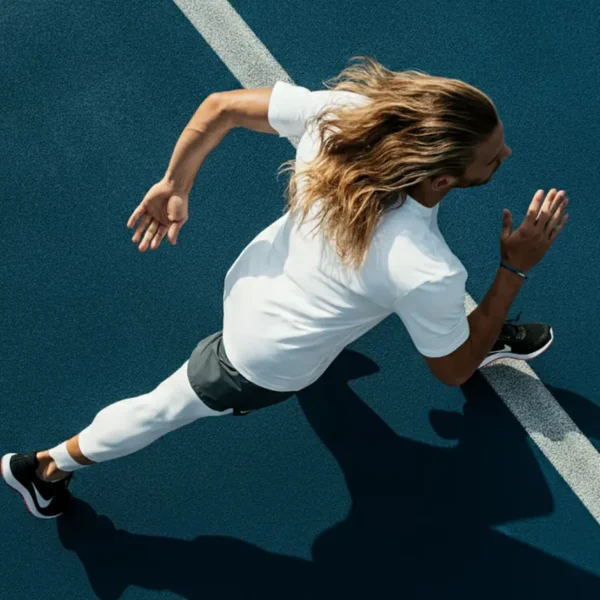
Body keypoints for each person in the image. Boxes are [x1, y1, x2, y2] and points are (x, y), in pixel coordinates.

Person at [2, 57, 568, 519]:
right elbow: (452, 372)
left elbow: (221, 107)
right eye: (493, 159)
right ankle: (44, 468)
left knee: (406, 310)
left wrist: (175, 183)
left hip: (255, 279)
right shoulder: (424, 266)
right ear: (441, 179)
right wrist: (514, 268)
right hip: (261, 359)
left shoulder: (342, 117)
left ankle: (464, 330)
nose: (506, 155)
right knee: (161, 409)